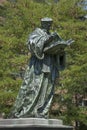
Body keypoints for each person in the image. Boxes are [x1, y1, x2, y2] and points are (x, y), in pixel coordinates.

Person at [9, 17, 66, 118]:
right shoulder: (36, 33)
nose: (48, 26)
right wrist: (46, 39)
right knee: (34, 88)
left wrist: (60, 52)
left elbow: (56, 52)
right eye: (46, 24)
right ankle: (28, 111)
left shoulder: (51, 35)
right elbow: (32, 44)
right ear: (42, 24)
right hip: (39, 66)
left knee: (48, 90)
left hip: (51, 66)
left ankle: (42, 111)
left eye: (50, 24)